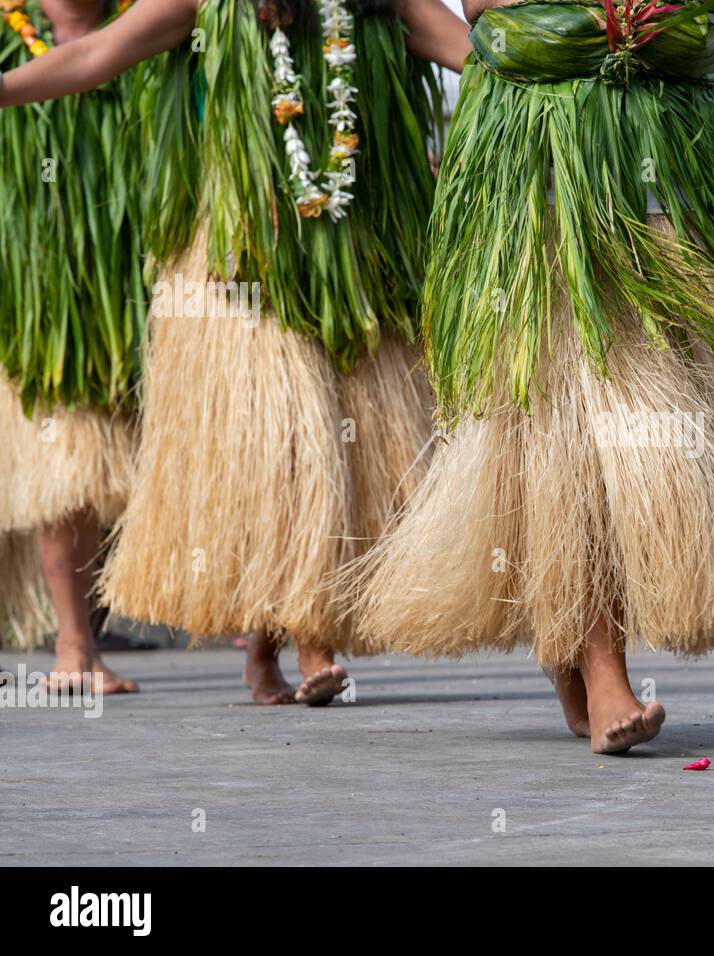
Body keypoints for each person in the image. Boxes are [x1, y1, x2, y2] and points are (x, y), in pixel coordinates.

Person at [346, 0, 714, 753]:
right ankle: (604, 668)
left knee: (659, 427)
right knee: (578, 429)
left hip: (667, 157)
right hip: (541, 165)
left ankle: (573, 645)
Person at [0, 0, 474, 704]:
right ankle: (312, 644)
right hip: (235, 256)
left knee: (344, 445)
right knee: (292, 442)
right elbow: (95, 55)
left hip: (353, 254)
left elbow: (480, 60)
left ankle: (271, 643)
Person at [0, 0, 144, 693]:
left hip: (138, 282)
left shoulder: (142, 23)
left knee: (114, 467)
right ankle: (71, 647)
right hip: (32, 295)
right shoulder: (8, 33)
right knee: (62, 461)